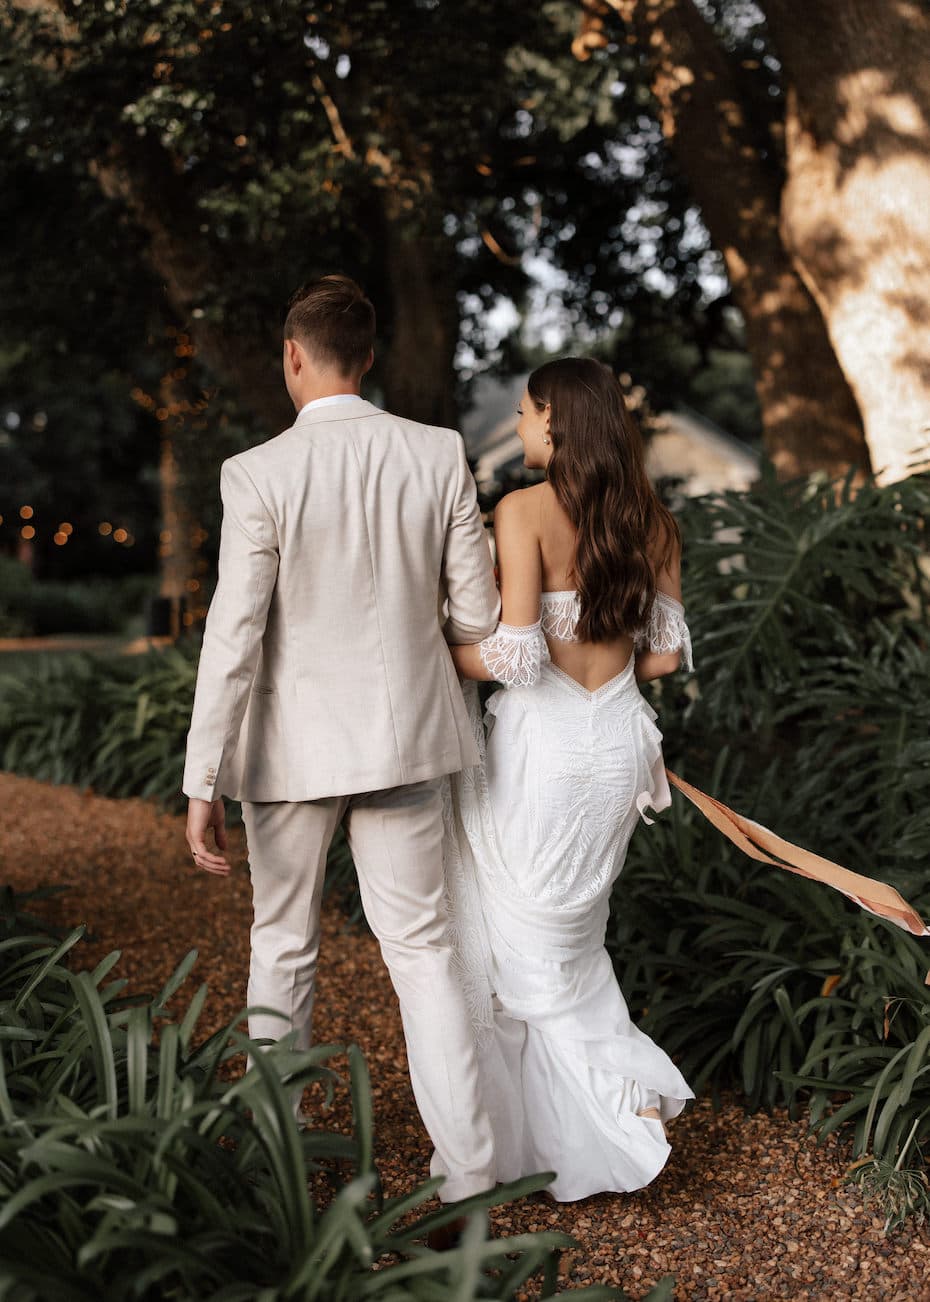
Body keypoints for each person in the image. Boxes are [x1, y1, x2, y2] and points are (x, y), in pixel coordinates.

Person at [181, 274, 501, 1209]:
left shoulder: (258, 473)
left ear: (292, 354)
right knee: (424, 951)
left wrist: (203, 774)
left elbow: (234, 633)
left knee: (282, 945)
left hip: (287, 753)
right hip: (405, 743)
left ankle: (275, 1167)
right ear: (368, 359)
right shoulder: (437, 452)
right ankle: (470, 1173)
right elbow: (476, 614)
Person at [445, 356, 695, 1201]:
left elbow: (514, 656)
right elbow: (660, 657)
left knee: (524, 952)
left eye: (523, 412)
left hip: (545, 752)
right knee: (570, 942)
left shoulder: (522, 510)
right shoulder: (653, 521)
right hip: (621, 746)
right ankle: (558, 1133)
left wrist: (431, 653)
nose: (517, 427)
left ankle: (621, 1101)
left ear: (556, 420)